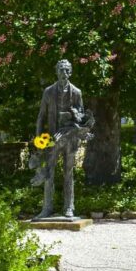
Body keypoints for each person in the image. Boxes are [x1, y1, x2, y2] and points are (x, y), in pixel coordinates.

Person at [34, 59, 93, 219]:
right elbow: (41, 117)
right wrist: (38, 140)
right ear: (56, 72)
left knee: (68, 172)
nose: (64, 73)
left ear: (70, 72)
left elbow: (81, 118)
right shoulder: (48, 92)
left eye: (66, 70)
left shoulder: (77, 92)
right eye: (61, 70)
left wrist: (75, 115)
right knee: (48, 172)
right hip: (52, 138)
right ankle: (47, 208)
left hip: (70, 138)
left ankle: (69, 208)